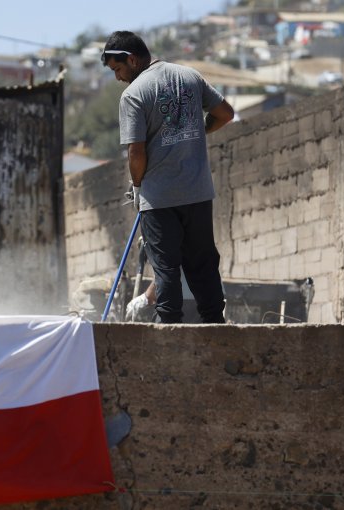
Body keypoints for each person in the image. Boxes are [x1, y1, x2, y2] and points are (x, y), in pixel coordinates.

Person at [102, 30, 235, 324]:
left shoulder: (134, 95)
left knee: (166, 268)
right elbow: (225, 113)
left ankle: (169, 333)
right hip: (198, 193)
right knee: (203, 264)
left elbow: (136, 152)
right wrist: (199, 130)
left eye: (118, 69)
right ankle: (217, 327)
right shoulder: (190, 77)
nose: (118, 77)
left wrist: (137, 187)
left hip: (159, 198)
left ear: (132, 60)